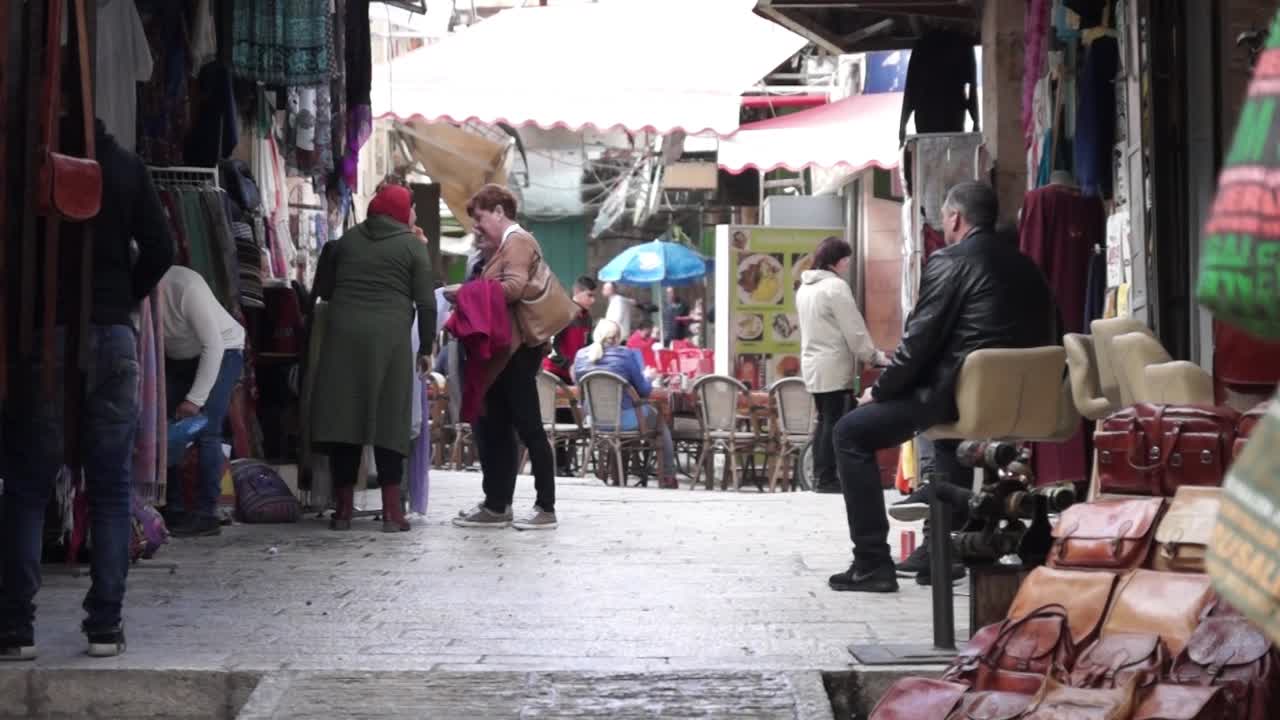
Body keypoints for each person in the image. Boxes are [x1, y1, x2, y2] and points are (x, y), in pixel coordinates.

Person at [828, 181, 1058, 593]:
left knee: (849, 432)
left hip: (958, 398)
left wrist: (878, 392)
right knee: (950, 442)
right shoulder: (1031, 268)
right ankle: (941, 552)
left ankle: (871, 563)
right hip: (1026, 404)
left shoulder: (949, 261)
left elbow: (919, 343)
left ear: (954, 218)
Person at [2, 119, 174, 660]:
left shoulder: (29, 166)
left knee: (29, 485)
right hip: (112, 336)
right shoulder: (125, 166)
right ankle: (104, 625)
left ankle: (15, 628)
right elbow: (161, 247)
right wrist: (122, 296)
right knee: (109, 485)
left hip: (47, 333)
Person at [310, 184, 435, 532]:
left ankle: (343, 511)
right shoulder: (413, 246)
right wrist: (426, 348)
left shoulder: (347, 240)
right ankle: (393, 513)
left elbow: (325, 289)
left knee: (344, 418)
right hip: (390, 342)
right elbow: (426, 302)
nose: (414, 215)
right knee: (389, 420)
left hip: (342, 336)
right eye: (411, 208)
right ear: (400, 211)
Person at [452, 184, 559, 531]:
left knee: (528, 428)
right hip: (504, 354)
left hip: (516, 354)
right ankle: (497, 504)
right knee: (496, 427)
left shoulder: (517, 241)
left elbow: (512, 287)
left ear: (499, 211)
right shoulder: (506, 244)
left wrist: (465, 292)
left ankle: (545, 507)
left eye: (480, 218)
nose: (476, 227)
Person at [158, 266, 246, 537]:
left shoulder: (186, 286)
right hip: (180, 357)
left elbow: (214, 346)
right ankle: (172, 508)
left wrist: (194, 400)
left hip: (224, 350)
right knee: (165, 430)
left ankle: (206, 513)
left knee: (206, 429)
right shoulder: (135, 291)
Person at [795, 237, 886, 495]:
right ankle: (827, 479)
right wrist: (873, 356)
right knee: (835, 421)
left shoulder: (805, 289)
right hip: (833, 364)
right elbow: (854, 329)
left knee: (824, 419)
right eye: (846, 258)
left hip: (813, 364)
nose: (848, 264)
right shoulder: (835, 287)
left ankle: (821, 476)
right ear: (837, 260)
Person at [573, 320, 678, 488]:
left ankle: (617, 475)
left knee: (634, 412)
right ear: (616, 338)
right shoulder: (625, 355)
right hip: (626, 420)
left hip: (594, 420)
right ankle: (668, 475)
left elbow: (578, 384)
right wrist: (649, 378)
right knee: (660, 423)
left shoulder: (580, 355)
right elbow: (643, 391)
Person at [545, 276, 598, 476]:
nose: (592, 300)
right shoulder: (563, 312)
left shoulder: (587, 318)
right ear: (578, 292)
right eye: (589, 295)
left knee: (573, 422)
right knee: (558, 422)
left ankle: (565, 465)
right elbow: (551, 348)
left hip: (574, 376)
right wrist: (569, 365)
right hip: (555, 375)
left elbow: (588, 347)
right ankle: (559, 465)